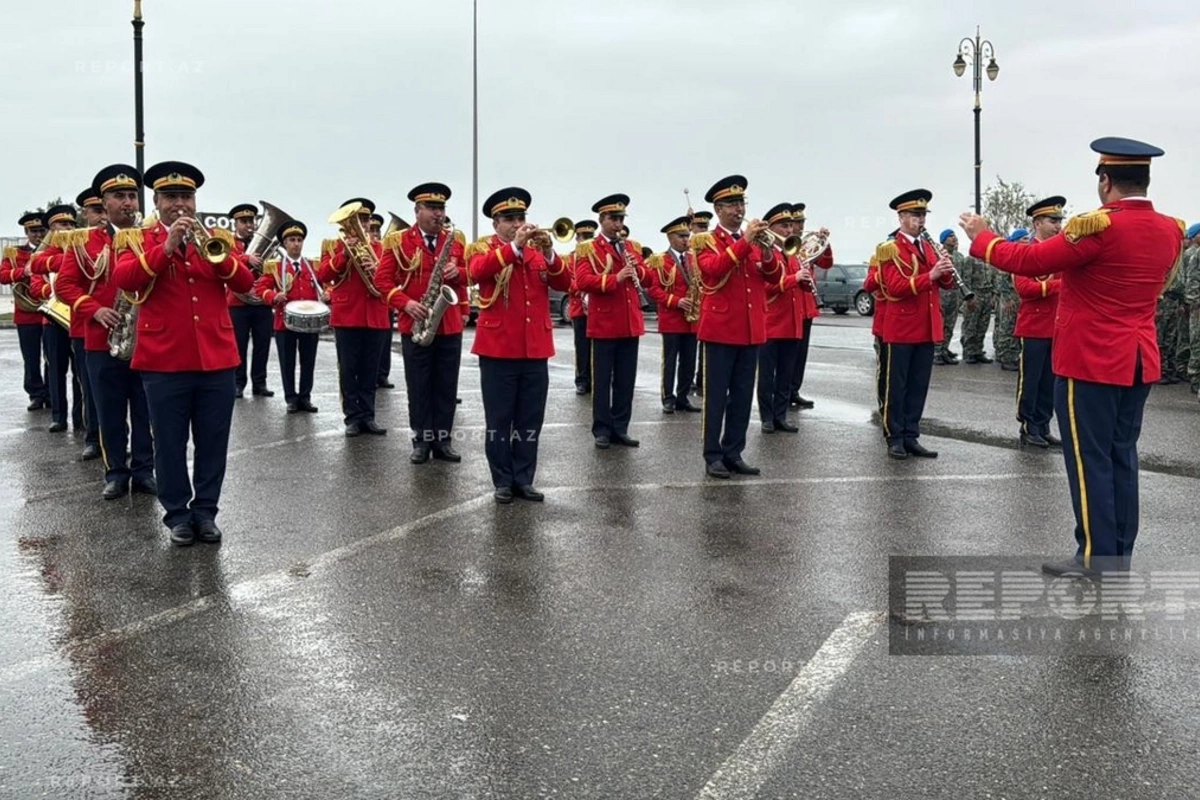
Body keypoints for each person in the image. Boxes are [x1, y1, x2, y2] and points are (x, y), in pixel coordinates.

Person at [959, 137, 1184, 576]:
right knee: (1123, 457)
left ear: (1105, 181)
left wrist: (981, 236)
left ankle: (1094, 558)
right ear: (1145, 179)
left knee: (1089, 461)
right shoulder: (1170, 229)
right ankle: (1118, 554)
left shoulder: (1096, 227)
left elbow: (1027, 259)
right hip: (1138, 358)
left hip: (1091, 360)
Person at [112, 160, 255, 546]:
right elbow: (125, 279)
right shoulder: (136, 239)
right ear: (156, 201)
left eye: (186, 197)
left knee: (213, 442)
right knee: (170, 443)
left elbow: (245, 281)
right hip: (164, 359)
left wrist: (219, 256)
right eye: (171, 197)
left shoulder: (217, 239)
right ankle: (177, 514)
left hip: (216, 358)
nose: (180, 204)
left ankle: (206, 512)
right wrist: (167, 246)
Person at [55, 164, 156, 499]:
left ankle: (144, 470)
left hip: (147, 339)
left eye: (132, 195)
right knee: (109, 411)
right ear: (104, 202)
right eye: (118, 196)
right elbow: (66, 285)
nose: (127, 202)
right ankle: (115, 471)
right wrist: (94, 309)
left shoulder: (151, 237)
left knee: (145, 411)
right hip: (101, 340)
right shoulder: (86, 242)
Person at [466, 187, 571, 503]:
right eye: (509, 219)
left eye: (521, 217)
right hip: (498, 348)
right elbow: (476, 272)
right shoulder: (483, 249)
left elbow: (565, 284)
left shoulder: (538, 253)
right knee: (499, 420)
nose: (517, 223)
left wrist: (551, 254)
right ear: (496, 223)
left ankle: (524, 478)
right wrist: (513, 246)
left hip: (535, 348)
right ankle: (502, 479)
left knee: (530, 419)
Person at [691, 175, 779, 478]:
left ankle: (734, 452)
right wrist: (746, 242)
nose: (739, 209)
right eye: (731, 204)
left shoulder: (753, 241)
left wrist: (768, 254)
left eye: (741, 203)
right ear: (718, 209)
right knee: (716, 396)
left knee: (742, 396)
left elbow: (772, 277)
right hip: (720, 328)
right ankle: (712, 454)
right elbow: (713, 270)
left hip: (751, 329)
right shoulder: (705, 241)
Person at [375, 182, 467, 460]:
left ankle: (443, 441)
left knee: (446, 385)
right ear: (417, 211)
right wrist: (406, 303)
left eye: (442, 209)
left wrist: (459, 272)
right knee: (419, 385)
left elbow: (467, 278)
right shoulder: (398, 241)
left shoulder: (456, 240)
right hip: (416, 324)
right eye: (432, 208)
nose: (439, 214)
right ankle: (421, 441)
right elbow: (382, 280)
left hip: (448, 324)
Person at [874, 189, 955, 460]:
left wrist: (945, 269)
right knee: (896, 386)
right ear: (901, 217)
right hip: (901, 328)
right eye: (915, 216)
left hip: (926, 326)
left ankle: (911, 434)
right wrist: (930, 274)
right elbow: (895, 288)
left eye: (923, 215)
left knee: (918, 385)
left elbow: (946, 284)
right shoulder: (890, 248)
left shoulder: (929, 246)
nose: (921, 221)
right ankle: (894, 436)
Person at [573, 194, 647, 449]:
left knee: (626, 380)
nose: (618, 224)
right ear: (602, 220)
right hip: (604, 324)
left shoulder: (632, 246)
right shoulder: (588, 248)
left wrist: (638, 269)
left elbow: (646, 277)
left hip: (629, 322)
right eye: (613, 219)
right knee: (602, 381)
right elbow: (582, 281)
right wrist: (615, 278)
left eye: (621, 219)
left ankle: (620, 428)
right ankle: (602, 430)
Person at [256, 220, 322, 414]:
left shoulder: (312, 265)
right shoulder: (275, 267)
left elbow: (327, 284)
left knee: (308, 361)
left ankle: (305, 397)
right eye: (292, 240)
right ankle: (291, 398)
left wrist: (328, 294)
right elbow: (260, 288)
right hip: (285, 323)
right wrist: (273, 296)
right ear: (285, 244)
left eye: (299, 240)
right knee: (288, 362)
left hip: (309, 322)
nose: (296, 243)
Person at [30, 204, 86, 435]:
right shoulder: (41, 255)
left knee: (81, 374)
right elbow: (35, 287)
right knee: (56, 371)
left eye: (72, 224)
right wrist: (52, 290)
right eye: (63, 224)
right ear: (51, 228)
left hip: (77, 318)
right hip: (53, 320)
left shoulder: (81, 248)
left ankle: (80, 418)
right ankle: (58, 416)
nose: (68, 227)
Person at [757, 203, 806, 432]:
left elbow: (797, 285)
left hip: (792, 322)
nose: (789, 230)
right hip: (771, 322)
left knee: (786, 374)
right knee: (767, 375)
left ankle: (781, 415)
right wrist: (794, 279)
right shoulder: (764, 252)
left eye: (790, 226)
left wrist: (804, 281)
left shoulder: (793, 253)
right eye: (784, 226)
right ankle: (766, 417)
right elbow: (766, 288)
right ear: (772, 229)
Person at [645, 215, 700, 414]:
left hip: (692, 320)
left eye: (687, 235)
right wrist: (676, 301)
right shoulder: (660, 260)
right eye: (681, 236)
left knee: (689, 360)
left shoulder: (694, 259)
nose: (686, 239)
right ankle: (668, 397)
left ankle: (683, 397)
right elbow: (654, 290)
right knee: (670, 360)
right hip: (672, 319)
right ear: (670, 238)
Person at [1, 213, 50, 411]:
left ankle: (52, 392)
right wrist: (23, 272)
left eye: (41, 230)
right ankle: (36, 393)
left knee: (52, 358)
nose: (38, 235)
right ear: (26, 232)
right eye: (34, 231)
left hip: (48, 312)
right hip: (26, 312)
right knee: (31, 357)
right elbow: (3, 276)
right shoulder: (15, 253)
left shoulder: (52, 250)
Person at [787, 202, 833, 408]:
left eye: (802, 222)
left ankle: (794, 390)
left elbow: (826, 263)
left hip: (807, 305)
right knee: (788, 353)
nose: (800, 226)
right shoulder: (787, 244)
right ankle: (782, 392)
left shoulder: (806, 244)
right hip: (790, 303)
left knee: (801, 353)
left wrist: (825, 242)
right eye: (797, 222)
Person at [227, 202, 274, 399]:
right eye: (244, 221)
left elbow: (273, 269)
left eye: (251, 221)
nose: (249, 225)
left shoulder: (263, 244)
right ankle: (238, 383)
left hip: (261, 302)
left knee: (262, 344)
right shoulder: (229, 243)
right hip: (237, 303)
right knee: (239, 345)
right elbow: (226, 260)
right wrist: (247, 259)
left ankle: (259, 383)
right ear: (235, 223)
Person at [566, 219, 597, 395]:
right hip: (580, 309)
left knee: (599, 347)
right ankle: (582, 380)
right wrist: (585, 286)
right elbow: (568, 284)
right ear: (576, 238)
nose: (585, 240)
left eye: (589, 236)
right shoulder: (571, 258)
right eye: (582, 236)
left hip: (597, 308)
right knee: (582, 346)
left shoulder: (598, 256)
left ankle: (597, 378)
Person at [935, 229, 963, 366]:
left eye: (954, 235)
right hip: (942, 293)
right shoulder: (938, 254)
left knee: (950, 324)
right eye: (950, 236)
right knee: (940, 323)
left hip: (955, 293)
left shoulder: (959, 257)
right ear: (944, 240)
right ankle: (937, 352)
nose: (954, 238)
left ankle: (944, 350)